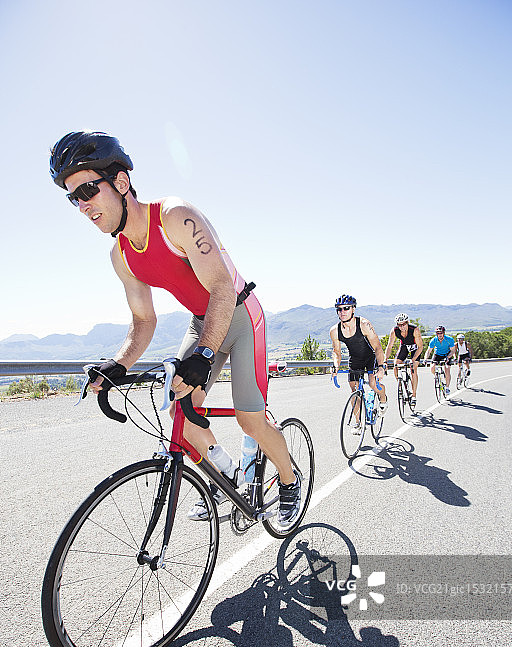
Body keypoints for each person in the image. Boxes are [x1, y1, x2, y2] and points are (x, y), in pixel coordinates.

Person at [49, 131, 300, 529]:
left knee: (249, 420)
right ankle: (229, 475)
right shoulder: (122, 257)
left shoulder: (175, 217)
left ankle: (289, 480)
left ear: (121, 182)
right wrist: (118, 364)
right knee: (178, 410)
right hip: (203, 322)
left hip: (239, 314)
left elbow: (220, 288)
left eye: (88, 190)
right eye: (72, 197)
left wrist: (202, 356)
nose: (82, 205)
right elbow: (144, 321)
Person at [330, 294, 387, 431]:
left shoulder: (364, 324)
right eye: (339, 309)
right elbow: (336, 352)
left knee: (373, 384)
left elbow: (378, 347)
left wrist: (381, 367)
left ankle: (383, 399)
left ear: (353, 309)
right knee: (354, 391)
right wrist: (336, 366)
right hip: (355, 359)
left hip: (370, 357)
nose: (342, 312)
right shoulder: (335, 331)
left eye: (346, 308)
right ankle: (358, 423)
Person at [383, 313, 424, 405]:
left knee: (413, 368)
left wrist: (413, 359)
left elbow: (420, 347)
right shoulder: (394, 331)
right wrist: (385, 360)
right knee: (396, 364)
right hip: (404, 346)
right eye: (399, 325)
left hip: (415, 348)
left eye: (404, 324)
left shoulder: (414, 330)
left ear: (407, 322)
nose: (402, 327)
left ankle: (413, 395)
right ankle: (401, 385)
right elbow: (389, 346)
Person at [424, 325, 456, 394]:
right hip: (437, 354)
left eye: (441, 333)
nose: (439, 335)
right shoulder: (434, 340)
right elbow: (428, 351)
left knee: (447, 369)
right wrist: (425, 359)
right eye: (438, 333)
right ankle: (437, 376)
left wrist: (448, 357)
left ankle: (447, 387)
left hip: (447, 354)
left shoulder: (449, 339)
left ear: (444, 333)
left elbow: (453, 351)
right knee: (432, 367)